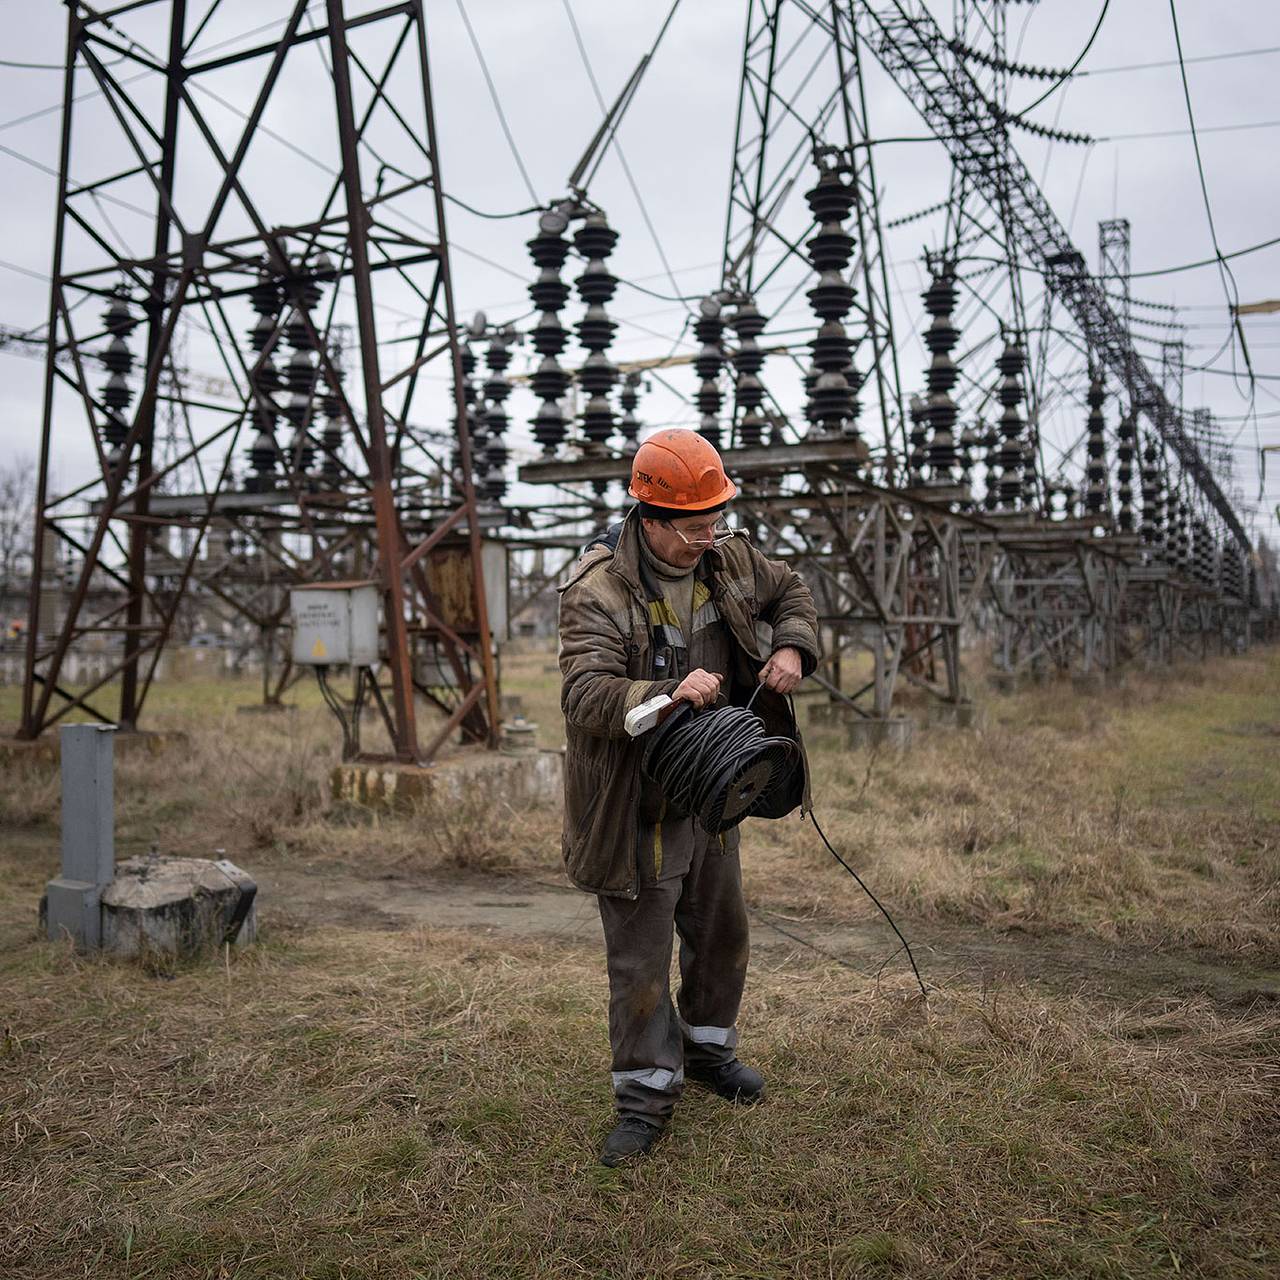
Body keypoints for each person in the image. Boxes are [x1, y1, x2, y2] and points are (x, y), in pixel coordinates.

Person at [557, 428, 819, 1166]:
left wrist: (792, 645)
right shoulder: (597, 590)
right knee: (640, 961)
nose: (711, 536)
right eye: (696, 525)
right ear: (651, 517)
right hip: (634, 805)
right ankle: (644, 1099)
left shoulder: (725, 556)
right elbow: (584, 694)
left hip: (713, 792)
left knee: (723, 932)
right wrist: (666, 692)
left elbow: (789, 587)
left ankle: (708, 1055)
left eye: (717, 519)